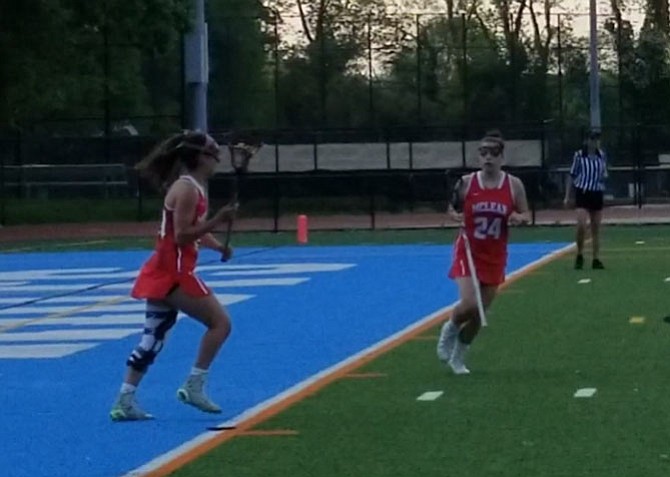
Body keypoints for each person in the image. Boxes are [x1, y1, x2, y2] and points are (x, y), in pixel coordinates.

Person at [110, 130, 238, 421]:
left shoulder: (193, 186)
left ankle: (124, 399)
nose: (217, 158)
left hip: (163, 271)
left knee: (152, 339)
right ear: (200, 157)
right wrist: (219, 220)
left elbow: (191, 231)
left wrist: (218, 246)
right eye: (212, 152)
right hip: (175, 273)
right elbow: (181, 236)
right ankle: (194, 384)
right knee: (220, 324)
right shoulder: (188, 189)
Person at [437, 130, 530, 375]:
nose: (488, 157)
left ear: (502, 157)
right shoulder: (467, 182)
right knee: (469, 303)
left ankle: (459, 356)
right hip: (468, 249)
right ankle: (450, 327)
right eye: (483, 152)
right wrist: (455, 215)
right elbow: (452, 207)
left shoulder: (513, 185)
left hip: (495, 252)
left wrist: (518, 218)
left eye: (493, 153)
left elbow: (526, 214)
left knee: (479, 313)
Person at [563, 130, 608, 270]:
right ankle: (580, 254)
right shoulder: (579, 156)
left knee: (595, 227)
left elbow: (604, 174)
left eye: (597, 140)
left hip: (596, 192)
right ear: (587, 141)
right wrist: (567, 196)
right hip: (583, 192)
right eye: (592, 139)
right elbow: (572, 175)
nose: (594, 142)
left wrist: (603, 179)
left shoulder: (602, 156)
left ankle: (596, 258)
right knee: (581, 225)